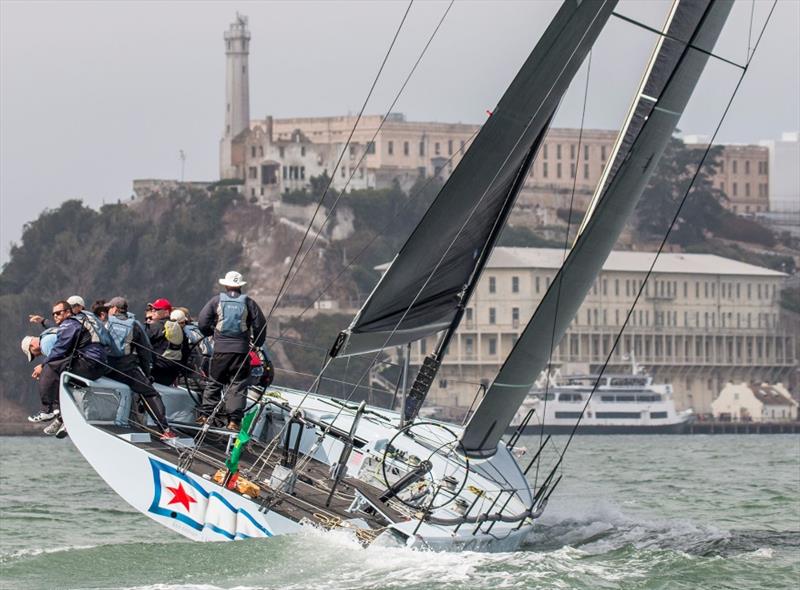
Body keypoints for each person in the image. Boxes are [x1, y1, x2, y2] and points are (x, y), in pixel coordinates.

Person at [197, 271, 266, 430]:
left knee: (214, 381)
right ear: (240, 286)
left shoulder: (216, 301)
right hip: (241, 352)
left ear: (226, 285)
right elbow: (260, 326)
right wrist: (257, 343)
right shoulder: (249, 303)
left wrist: (209, 333)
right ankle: (233, 421)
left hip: (220, 350)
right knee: (237, 386)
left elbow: (202, 321)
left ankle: (206, 415)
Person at [30, 300, 108, 437]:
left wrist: (43, 365)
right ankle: (62, 417)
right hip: (100, 364)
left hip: (89, 362)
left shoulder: (69, 324)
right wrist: (43, 321)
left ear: (68, 312)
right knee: (65, 379)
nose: (56, 316)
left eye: (59, 313)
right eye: (54, 314)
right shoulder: (78, 321)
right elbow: (58, 331)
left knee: (51, 366)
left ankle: (47, 410)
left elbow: (59, 349)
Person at [106, 297, 176, 440]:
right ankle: (165, 429)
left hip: (104, 368)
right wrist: (147, 373)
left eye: (110, 308)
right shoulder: (135, 325)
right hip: (126, 369)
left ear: (114, 309)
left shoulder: (105, 323)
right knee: (150, 392)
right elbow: (146, 352)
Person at [145, 298, 181, 386]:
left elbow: (141, 341)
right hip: (173, 372)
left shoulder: (155, 327)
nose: (153, 311)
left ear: (166, 312)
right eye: (153, 309)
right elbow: (185, 351)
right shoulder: (179, 328)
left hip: (157, 370)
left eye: (157, 309)